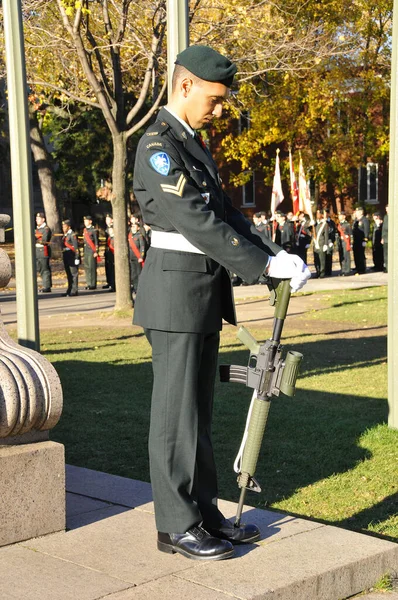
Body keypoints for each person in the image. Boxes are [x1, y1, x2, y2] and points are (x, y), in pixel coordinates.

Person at [132, 45, 310, 561]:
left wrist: (278, 255)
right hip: (174, 295)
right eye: (213, 98)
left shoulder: (191, 145)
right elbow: (196, 221)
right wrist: (259, 266)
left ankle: (204, 513)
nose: (219, 108)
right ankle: (176, 525)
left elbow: (229, 214)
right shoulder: (157, 146)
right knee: (175, 416)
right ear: (184, 86)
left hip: (201, 293)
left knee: (199, 414)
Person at [128, 213, 146, 297]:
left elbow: (142, 246)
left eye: (134, 227)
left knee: (139, 273)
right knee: (133, 274)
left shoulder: (140, 235)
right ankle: (135, 287)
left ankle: (139, 288)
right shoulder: (130, 236)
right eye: (132, 227)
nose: (133, 228)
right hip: (132, 257)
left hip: (138, 257)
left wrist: (141, 256)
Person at [35, 211, 52, 293]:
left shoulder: (46, 229)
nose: (36, 220)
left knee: (44, 269)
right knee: (39, 269)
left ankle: (47, 286)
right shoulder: (38, 229)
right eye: (36, 219)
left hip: (43, 251)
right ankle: (45, 285)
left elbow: (44, 240)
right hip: (37, 251)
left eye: (38, 219)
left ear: (43, 219)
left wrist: (36, 238)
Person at [61, 219, 80, 296]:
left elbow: (76, 247)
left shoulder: (72, 235)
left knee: (73, 274)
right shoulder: (65, 235)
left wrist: (77, 257)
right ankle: (69, 289)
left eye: (65, 226)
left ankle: (74, 290)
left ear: (69, 227)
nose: (63, 228)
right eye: (63, 226)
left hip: (72, 256)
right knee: (68, 273)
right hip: (66, 254)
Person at [82, 215, 98, 290]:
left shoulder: (94, 230)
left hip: (92, 250)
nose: (85, 222)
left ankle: (93, 284)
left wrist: (96, 251)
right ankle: (88, 283)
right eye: (84, 221)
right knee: (87, 267)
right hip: (86, 250)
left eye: (86, 221)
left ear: (90, 221)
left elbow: (96, 241)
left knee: (92, 267)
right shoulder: (85, 230)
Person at [352, 206, 370, 274]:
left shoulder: (364, 220)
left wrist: (365, 239)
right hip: (356, 240)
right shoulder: (356, 220)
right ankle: (357, 267)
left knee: (361, 255)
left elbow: (366, 230)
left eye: (357, 212)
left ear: (361, 212)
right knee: (356, 254)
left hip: (361, 240)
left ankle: (362, 268)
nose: (356, 213)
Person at [313, 209, 329, 278]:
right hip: (315, 244)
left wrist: (326, 244)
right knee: (316, 259)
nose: (317, 215)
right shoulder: (315, 224)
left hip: (321, 244)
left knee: (322, 259)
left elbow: (326, 235)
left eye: (319, 214)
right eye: (317, 214)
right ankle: (317, 271)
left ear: (322, 215)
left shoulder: (324, 224)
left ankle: (322, 273)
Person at [337, 212, 352, 276]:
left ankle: (347, 270)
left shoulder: (347, 224)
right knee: (341, 256)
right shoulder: (339, 224)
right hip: (340, 242)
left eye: (341, 215)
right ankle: (343, 270)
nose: (339, 217)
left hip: (346, 242)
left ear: (344, 216)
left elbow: (351, 235)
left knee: (346, 256)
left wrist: (351, 243)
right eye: (339, 215)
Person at [103, 213, 115, 291]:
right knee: (108, 267)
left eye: (108, 219)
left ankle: (113, 283)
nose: (106, 221)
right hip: (108, 250)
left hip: (113, 250)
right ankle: (110, 282)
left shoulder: (114, 227)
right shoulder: (106, 228)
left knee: (113, 268)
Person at [324, 209, 337, 277]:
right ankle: (323, 271)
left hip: (329, 241)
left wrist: (331, 241)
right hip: (322, 241)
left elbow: (333, 232)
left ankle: (328, 271)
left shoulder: (331, 222)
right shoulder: (322, 222)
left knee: (328, 255)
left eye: (326, 213)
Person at [381, 204, 388, 272]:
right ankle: (386, 266)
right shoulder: (385, 217)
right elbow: (383, 228)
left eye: (388, 209)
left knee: (389, 253)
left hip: (390, 238)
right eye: (386, 209)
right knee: (385, 253)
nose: (386, 210)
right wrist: (382, 237)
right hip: (385, 238)